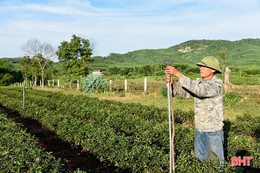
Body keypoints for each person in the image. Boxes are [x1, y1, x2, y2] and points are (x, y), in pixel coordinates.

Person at [165, 56, 224, 167]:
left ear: (213, 70)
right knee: (199, 163)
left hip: (213, 131)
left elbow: (200, 90)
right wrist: (172, 83)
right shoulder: (199, 82)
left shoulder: (217, 84)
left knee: (215, 165)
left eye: (204, 66)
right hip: (200, 129)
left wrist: (178, 74)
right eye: (200, 66)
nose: (201, 68)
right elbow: (185, 93)